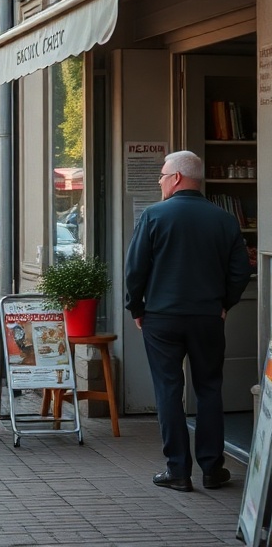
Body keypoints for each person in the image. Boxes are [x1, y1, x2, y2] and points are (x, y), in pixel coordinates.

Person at [124, 150, 251, 492]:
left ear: (177, 177)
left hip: (162, 318)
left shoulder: (154, 216)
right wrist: (225, 303)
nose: (160, 182)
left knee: (168, 389)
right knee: (209, 389)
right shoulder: (224, 220)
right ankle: (212, 469)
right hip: (208, 317)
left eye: (163, 176)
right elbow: (240, 271)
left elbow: (135, 270)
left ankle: (178, 470)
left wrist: (136, 308)